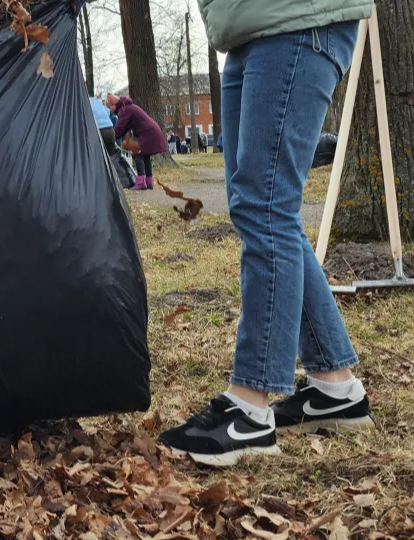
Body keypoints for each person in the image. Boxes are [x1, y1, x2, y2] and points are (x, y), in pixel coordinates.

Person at [159, 0, 374, 467]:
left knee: (266, 206)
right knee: (258, 207)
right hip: (249, 27)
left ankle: (250, 407)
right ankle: (335, 387)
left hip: (297, 20)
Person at [111, 96, 168, 190]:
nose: (110, 110)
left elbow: (119, 127)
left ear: (115, 105)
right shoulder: (128, 108)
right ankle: (149, 182)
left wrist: (111, 137)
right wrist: (115, 137)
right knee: (145, 156)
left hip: (148, 132)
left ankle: (141, 182)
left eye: (110, 107)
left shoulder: (124, 110)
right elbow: (124, 128)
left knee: (137, 154)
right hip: (151, 131)